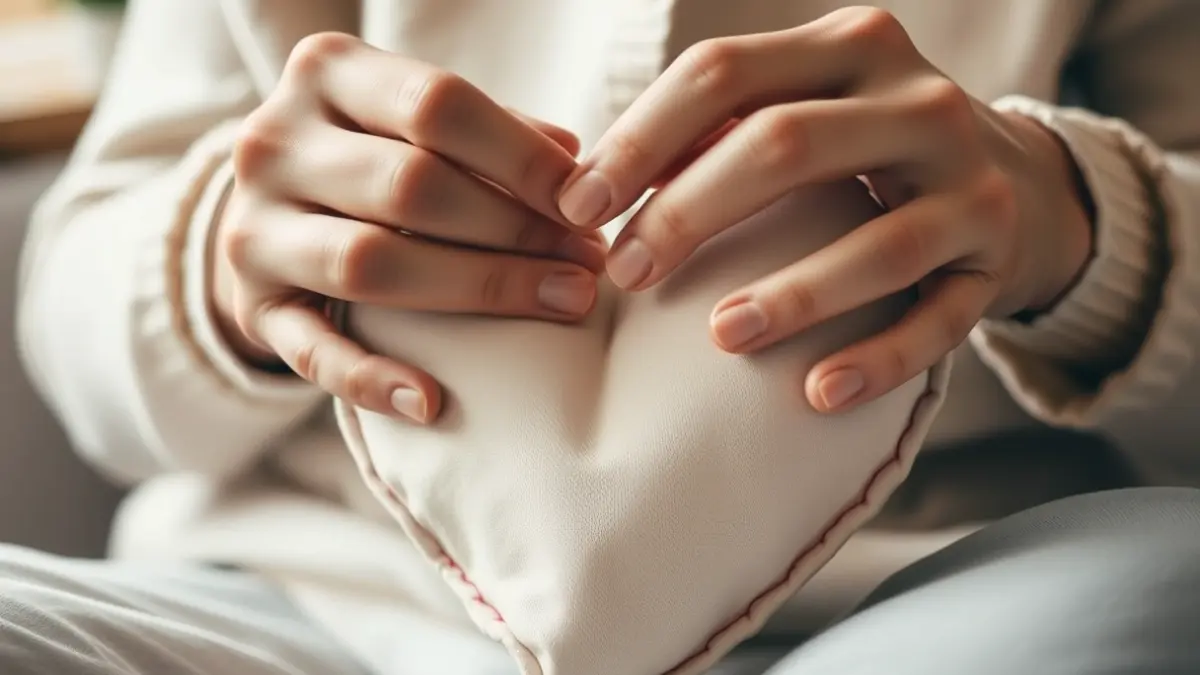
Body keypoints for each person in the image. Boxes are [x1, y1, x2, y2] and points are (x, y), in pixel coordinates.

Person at [7, 0, 1200, 673]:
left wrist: (1086, 226)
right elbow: (74, 316)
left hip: (934, 607)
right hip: (289, 613)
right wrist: (232, 256)